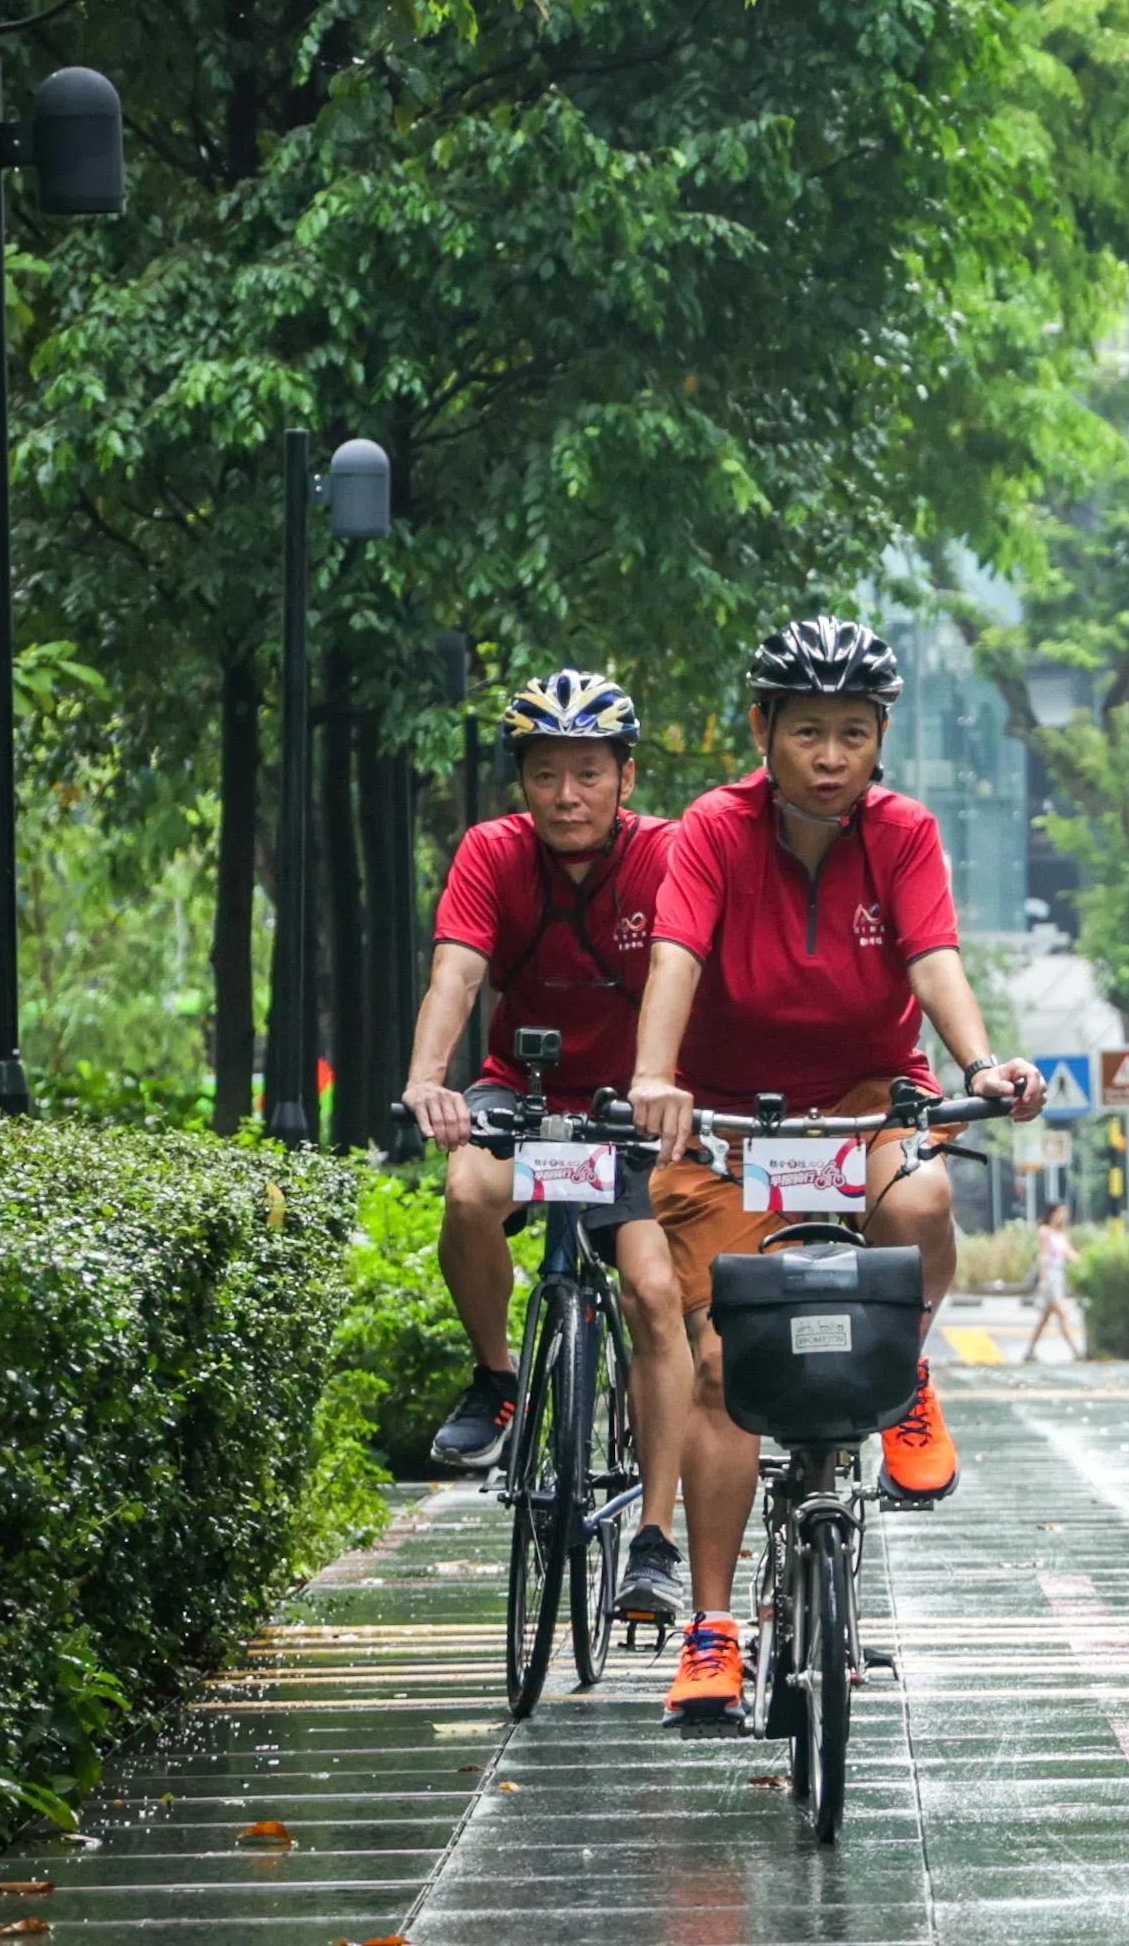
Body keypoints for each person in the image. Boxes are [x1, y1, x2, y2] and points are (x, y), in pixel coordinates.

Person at [625, 616, 1049, 1726]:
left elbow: (933, 956)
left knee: (923, 1196)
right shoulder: (711, 831)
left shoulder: (903, 833)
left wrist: (980, 1062)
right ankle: (712, 1632)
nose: (829, 754)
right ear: (761, 728)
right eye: (807, 730)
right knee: (724, 1366)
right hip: (726, 1126)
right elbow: (675, 955)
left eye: (852, 733)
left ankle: (903, 1377)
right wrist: (654, 1076)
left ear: (881, 738)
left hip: (864, 1108)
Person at [399, 670, 694, 1629]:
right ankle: (498, 1383)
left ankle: (653, 1540)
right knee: (468, 1191)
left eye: (588, 774)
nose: (567, 795)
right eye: (545, 774)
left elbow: (688, 979)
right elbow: (457, 972)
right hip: (517, 1095)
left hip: (630, 1111)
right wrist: (426, 1079)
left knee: (654, 1295)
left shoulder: (666, 856)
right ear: (520, 781)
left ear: (624, 776)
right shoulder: (491, 851)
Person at [1023, 1202, 1084, 1363]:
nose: (1063, 1216)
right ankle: (1076, 1352)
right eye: (1060, 1213)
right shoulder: (1045, 1232)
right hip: (1050, 1275)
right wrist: (1043, 1279)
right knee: (1063, 1315)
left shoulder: (1061, 1233)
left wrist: (1085, 1263)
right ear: (1053, 1213)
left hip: (1059, 1275)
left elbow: (1069, 1252)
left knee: (1044, 1319)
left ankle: (1029, 1351)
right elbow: (1043, 1257)